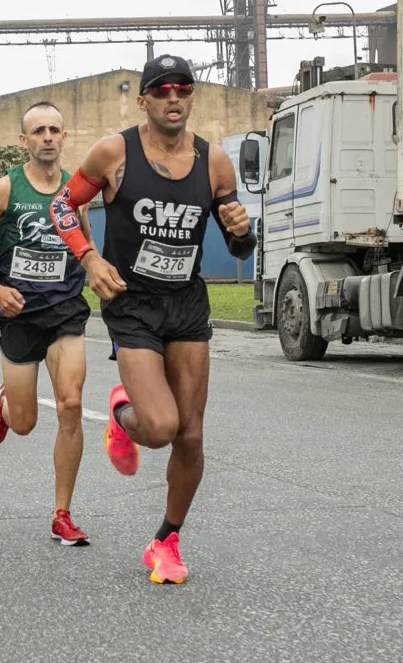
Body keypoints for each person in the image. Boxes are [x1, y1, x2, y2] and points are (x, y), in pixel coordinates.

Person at [49, 54, 256, 583]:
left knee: (191, 436)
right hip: (132, 303)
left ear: (191, 98)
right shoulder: (114, 152)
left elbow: (238, 246)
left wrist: (241, 229)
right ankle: (123, 416)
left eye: (182, 89)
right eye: (161, 90)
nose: (173, 98)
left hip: (186, 305)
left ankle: (166, 539)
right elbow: (62, 207)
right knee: (161, 428)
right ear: (143, 100)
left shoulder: (214, 164)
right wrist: (90, 258)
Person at [0, 101, 94, 546]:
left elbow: (87, 246)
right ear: (24, 141)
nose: (47, 137)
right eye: (39, 131)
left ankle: (62, 513)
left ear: (64, 137)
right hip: (17, 311)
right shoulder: (5, 190)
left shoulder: (76, 190)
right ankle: (7, 405)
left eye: (54, 130)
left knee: (70, 405)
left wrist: (99, 274)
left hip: (66, 307)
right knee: (26, 422)